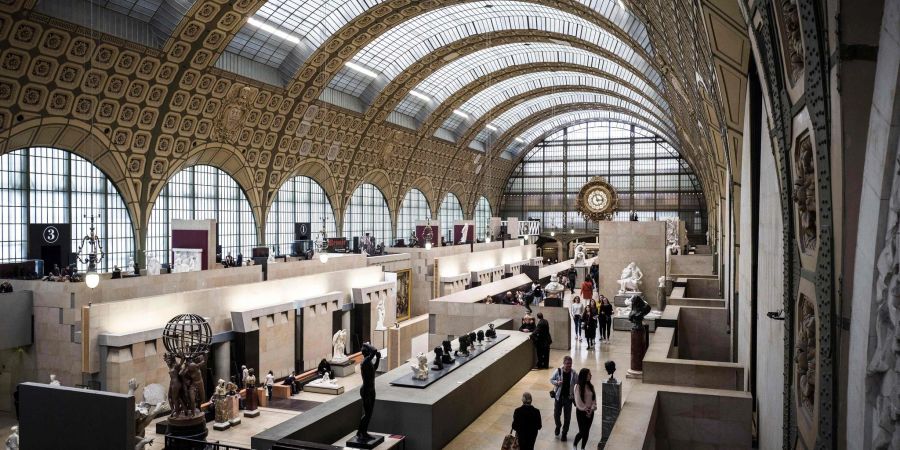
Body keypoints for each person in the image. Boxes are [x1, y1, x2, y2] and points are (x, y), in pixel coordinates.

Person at [550, 356, 577, 441]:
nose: (569, 365)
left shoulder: (574, 373)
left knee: (567, 417)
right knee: (556, 415)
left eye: (570, 364)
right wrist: (557, 382)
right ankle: (558, 426)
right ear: (564, 363)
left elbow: (578, 382)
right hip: (558, 397)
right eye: (567, 364)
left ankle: (564, 433)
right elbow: (551, 379)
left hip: (568, 398)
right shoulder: (558, 371)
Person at [572, 368, 597, 450]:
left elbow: (594, 399)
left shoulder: (591, 386)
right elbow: (578, 401)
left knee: (587, 432)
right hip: (581, 412)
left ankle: (583, 448)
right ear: (584, 375)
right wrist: (586, 409)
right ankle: (575, 444)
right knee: (582, 431)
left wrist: (592, 409)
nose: (591, 375)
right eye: (589, 374)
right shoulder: (577, 386)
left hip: (590, 412)